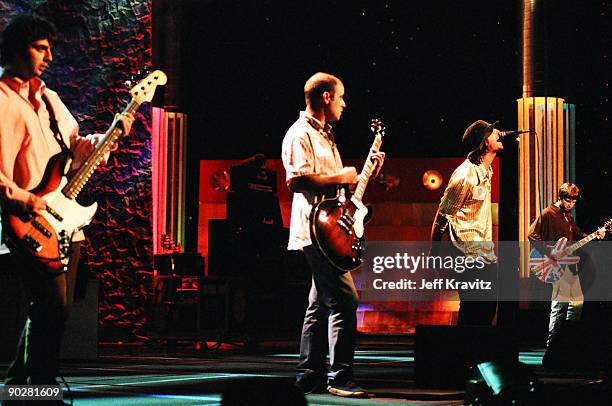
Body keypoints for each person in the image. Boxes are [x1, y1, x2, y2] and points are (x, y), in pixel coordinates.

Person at [0, 13, 134, 392]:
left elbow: (73, 150)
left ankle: (21, 389)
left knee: (50, 311)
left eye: (51, 49)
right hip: (25, 220)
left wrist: (109, 135)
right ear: (14, 49)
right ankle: (38, 390)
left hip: (61, 220)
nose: (49, 57)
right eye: (40, 48)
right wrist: (28, 201)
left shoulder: (49, 99)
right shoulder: (3, 102)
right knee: (51, 308)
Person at [281, 72, 384, 398]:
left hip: (327, 231)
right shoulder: (300, 134)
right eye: (340, 97)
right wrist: (342, 176)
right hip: (315, 233)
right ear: (326, 97)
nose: (344, 103)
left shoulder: (326, 135)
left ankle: (308, 375)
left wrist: (359, 179)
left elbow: (336, 189)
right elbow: (296, 181)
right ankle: (339, 377)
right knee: (344, 299)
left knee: (319, 305)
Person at [430, 119, 502, 325]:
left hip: (483, 250)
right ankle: (463, 353)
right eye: (492, 131)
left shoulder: (486, 170)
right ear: (485, 143)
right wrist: (434, 253)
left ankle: (475, 352)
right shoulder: (465, 176)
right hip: (466, 252)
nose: (498, 132)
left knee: (488, 308)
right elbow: (442, 215)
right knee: (473, 307)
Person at [528, 183, 605, 355]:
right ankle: (552, 345)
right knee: (560, 304)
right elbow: (532, 234)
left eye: (574, 201)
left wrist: (597, 235)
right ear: (560, 197)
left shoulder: (568, 217)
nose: (571, 203)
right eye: (568, 200)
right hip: (554, 264)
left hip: (568, 265)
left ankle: (566, 339)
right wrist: (550, 252)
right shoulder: (548, 213)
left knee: (577, 302)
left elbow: (578, 236)